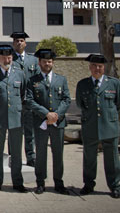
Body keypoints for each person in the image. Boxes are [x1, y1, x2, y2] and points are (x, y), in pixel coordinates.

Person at [0, 45, 27, 193]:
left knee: (16, 153)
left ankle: (17, 182)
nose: (7, 60)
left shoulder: (19, 74)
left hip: (16, 118)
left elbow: (23, 94)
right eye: (4, 57)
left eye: (9, 57)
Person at [26, 49, 71, 195]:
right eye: (44, 61)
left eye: (50, 61)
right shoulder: (33, 81)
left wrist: (56, 114)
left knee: (58, 153)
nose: (47, 64)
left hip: (58, 123)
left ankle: (59, 182)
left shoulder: (61, 79)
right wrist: (46, 114)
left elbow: (66, 99)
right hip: (41, 123)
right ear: (39, 63)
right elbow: (29, 100)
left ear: (53, 63)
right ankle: (40, 182)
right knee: (40, 153)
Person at [76, 54, 120, 199]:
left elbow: (118, 105)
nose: (97, 69)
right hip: (90, 126)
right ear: (90, 67)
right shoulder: (83, 84)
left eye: (100, 66)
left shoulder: (114, 83)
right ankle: (88, 185)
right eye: (94, 66)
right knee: (89, 158)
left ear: (104, 68)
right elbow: (80, 104)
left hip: (109, 126)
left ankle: (115, 186)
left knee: (112, 158)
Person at [11, 32, 40, 167]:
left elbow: (38, 80)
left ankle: (31, 156)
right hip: (15, 101)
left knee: (30, 131)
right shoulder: (9, 59)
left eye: (21, 40)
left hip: (29, 101)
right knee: (14, 131)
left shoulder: (33, 60)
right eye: (17, 40)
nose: (19, 43)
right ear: (13, 43)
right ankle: (13, 156)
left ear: (25, 43)